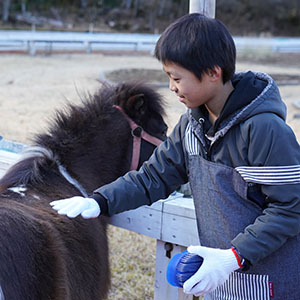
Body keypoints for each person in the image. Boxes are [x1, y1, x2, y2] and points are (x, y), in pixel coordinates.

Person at [50, 13, 300, 299]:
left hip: (274, 283)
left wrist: (234, 256)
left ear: (212, 72)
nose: (171, 87)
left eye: (176, 77)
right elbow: (153, 177)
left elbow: (290, 208)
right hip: (220, 278)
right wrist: (100, 200)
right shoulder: (192, 127)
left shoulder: (264, 131)